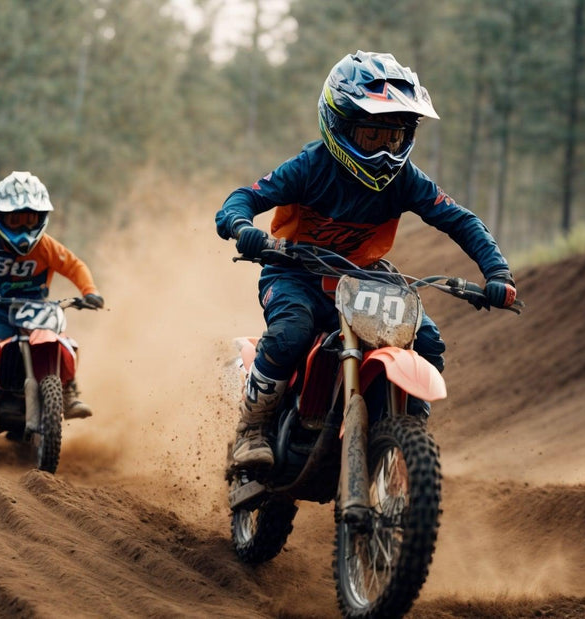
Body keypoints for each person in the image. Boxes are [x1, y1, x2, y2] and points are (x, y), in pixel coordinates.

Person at [215, 51, 518, 469]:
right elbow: (244, 197)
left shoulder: (406, 179)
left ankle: (399, 436)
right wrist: (241, 226)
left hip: (363, 277)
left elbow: (459, 220)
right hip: (294, 270)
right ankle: (252, 428)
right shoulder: (310, 166)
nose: (384, 148)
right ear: (338, 124)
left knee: (426, 341)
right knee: (292, 331)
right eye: (372, 136)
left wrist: (496, 271)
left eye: (393, 137)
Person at [0, 171, 105, 436]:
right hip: (1, 309)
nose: (23, 228)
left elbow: (74, 265)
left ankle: (68, 391)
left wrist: (89, 291)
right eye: (15, 220)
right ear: (1, 217)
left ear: (41, 217)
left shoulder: (46, 246)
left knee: (63, 343)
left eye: (30, 219)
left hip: (39, 309)